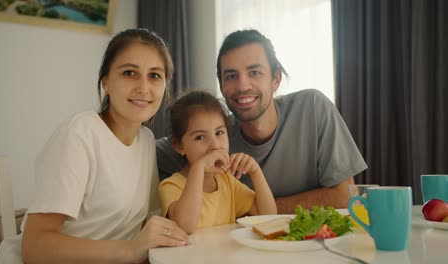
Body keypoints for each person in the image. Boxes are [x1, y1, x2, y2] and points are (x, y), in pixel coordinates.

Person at [0, 28, 189, 264]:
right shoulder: (80, 134)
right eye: (129, 73)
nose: (144, 87)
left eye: (155, 76)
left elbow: (141, 225)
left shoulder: (146, 141)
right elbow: (35, 246)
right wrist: (129, 250)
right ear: (106, 81)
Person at [156, 29, 368, 213]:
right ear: (221, 86)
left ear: (275, 79)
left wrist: (251, 209)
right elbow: (154, 148)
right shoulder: (216, 136)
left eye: (254, 72)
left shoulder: (312, 107)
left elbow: (344, 197)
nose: (242, 86)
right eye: (231, 76)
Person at [158, 90, 276, 234]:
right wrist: (198, 168)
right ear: (179, 146)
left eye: (219, 133)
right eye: (200, 137)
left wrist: (255, 171)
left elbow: (268, 216)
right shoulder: (171, 186)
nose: (214, 145)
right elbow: (185, 226)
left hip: (223, 256)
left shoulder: (227, 182)